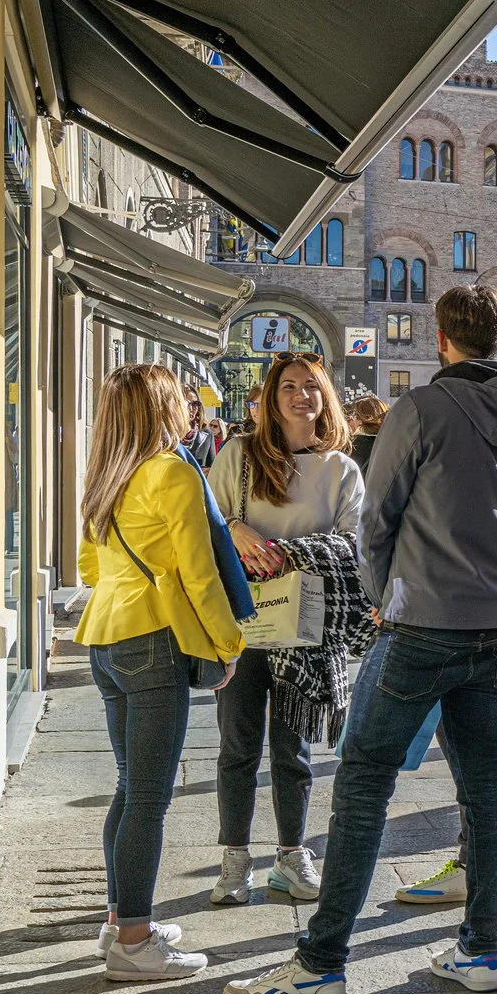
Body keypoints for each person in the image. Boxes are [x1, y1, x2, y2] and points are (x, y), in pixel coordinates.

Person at [225, 285, 497, 994]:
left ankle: (321, 961)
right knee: (486, 783)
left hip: (420, 623)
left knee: (363, 779)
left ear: (442, 339)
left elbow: (374, 524)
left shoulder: (420, 410)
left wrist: (383, 601)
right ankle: (480, 949)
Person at [76, 364, 245, 981]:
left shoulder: (107, 474)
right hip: (153, 641)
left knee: (129, 788)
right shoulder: (171, 470)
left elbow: (88, 564)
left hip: (105, 639)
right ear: (161, 408)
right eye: (178, 399)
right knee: (149, 796)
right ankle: (134, 940)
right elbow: (199, 572)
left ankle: (121, 918)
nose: (188, 409)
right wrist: (228, 643)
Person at [205, 351, 364, 905]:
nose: (302, 396)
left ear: (326, 399)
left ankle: (292, 855)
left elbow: (355, 546)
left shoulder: (341, 469)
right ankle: (234, 861)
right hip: (245, 620)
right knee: (237, 744)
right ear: (271, 399)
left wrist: (290, 552)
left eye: (312, 388)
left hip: (307, 623)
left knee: (293, 746)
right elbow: (207, 522)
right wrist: (235, 530)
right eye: (289, 387)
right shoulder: (240, 455)